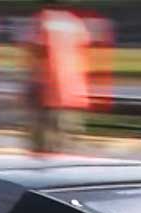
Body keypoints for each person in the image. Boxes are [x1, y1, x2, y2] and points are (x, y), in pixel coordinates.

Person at [23, 4, 93, 153]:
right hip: (73, 92)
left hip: (48, 91)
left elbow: (36, 53)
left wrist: (28, 89)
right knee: (68, 142)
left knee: (43, 147)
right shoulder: (75, 22)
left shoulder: (43, 19)